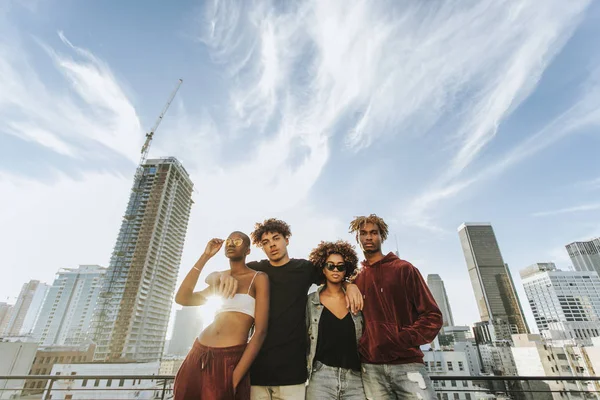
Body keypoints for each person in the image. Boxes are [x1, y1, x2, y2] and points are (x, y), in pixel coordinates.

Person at [207, 218, 363, 400]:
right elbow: (214, 276)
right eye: (266, 242)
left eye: (276, 238)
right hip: (258, 369)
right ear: (262, 247)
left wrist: (349, 285)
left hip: (293, 372)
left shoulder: (304, 268)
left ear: (286, 239)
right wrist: (218, 275)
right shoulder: (257, 270)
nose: (272, 245)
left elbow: (334, 273)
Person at [349, 214, 442, 400]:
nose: (368, 237)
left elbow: (432, 316)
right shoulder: (355, 278)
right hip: (371, 369)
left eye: (374, 233)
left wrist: (400, 340)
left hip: (408, 365)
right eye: (363, 233)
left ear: (382, 236)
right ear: (357, 238)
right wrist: (348, 284)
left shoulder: (403, 269)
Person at [173, 231, 269, 400]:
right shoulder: (219, 280)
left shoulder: (258, 278)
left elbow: (260, 332)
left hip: (229, 359)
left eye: (237, 241)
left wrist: (234, 379)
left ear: (248, 250)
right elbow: (183, 298)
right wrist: (205, 256)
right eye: (229, 241)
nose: (231, 244)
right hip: (198, 353)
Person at [305, 240, 365, 400]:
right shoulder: (310, 302)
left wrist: (351, 286)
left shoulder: (357, 298)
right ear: (322, 269)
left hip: (356, 379)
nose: (336, 270)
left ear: (347, 269)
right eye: (330, 266)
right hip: (320, 378)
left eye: (341, 266)